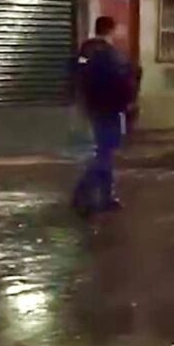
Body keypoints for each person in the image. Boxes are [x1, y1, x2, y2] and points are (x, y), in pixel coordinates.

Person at [72, 16, 135, 215]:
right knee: (105, 153)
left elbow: (78, 76)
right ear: (111, 30)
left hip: (94, 108)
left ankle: (107, 195)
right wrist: (128, 102)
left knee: (104, 151)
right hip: (111, 109)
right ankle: (83, 194)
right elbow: (122, 81)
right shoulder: (110, 54)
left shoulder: (86, 50)